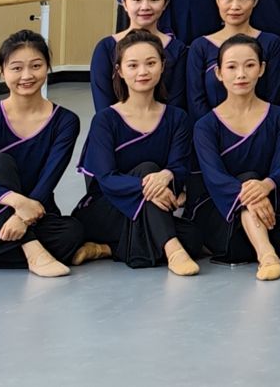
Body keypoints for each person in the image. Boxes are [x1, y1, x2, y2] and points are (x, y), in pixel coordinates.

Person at [190, 34, 280, 279]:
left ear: (262, 69)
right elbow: (215, 177)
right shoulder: (205, 125)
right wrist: (251, 192)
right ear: (218, 73)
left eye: (249, 65)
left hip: (268, 205)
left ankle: (242, 244)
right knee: (248, 179)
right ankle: (266, 254)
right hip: (221, 209)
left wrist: (265, 186)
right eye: (232, 67)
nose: (241, 74)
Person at [72, 30, 200, 275]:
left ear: (162, 66)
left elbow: (179, 167)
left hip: (151, 207)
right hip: (106, 207)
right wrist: (150, 185)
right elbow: (106, 178)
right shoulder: (105, 119)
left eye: (151, 63)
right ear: (119, 71)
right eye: (133, 65)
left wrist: (167, 175)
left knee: (194, 237)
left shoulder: (177, 118)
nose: (143, 72)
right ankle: (173, 250)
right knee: (148, 170)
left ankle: (106, 249)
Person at [0, 31, 85, 277]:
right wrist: (15, 202)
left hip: (37, 208)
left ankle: (13, 242)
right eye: (16, 68)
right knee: (1, 163)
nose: (26, 76)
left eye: (36, 66)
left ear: (47, 68)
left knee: (71, 233)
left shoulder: (65, 121)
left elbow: (48, 180)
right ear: (2, 72)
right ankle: (33, 249)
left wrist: (22, 217)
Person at [185, 0, 280, 113]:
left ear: (255, 0)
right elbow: (195, 101)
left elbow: (276, 96)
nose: (235, 6)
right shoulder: (200, 47)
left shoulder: (271, 43)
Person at [91, 0, 187, 109]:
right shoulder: (105, 48)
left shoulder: (178, 49)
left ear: (165, 3)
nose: (145, 7)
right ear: (124, 3)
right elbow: (103, 103)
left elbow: (177, 103)